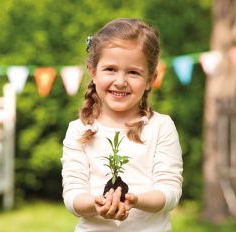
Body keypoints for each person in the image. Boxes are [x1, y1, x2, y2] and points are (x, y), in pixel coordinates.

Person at [61, 18, 183, 232]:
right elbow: (73, 195)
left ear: (150, 79)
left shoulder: (161, 127)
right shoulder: (78, 130)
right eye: (110, 69)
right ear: (92, 71)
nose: (120, 81)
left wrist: (135, 200)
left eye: (133, 72)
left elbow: (170, 191)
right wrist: (96, 205)